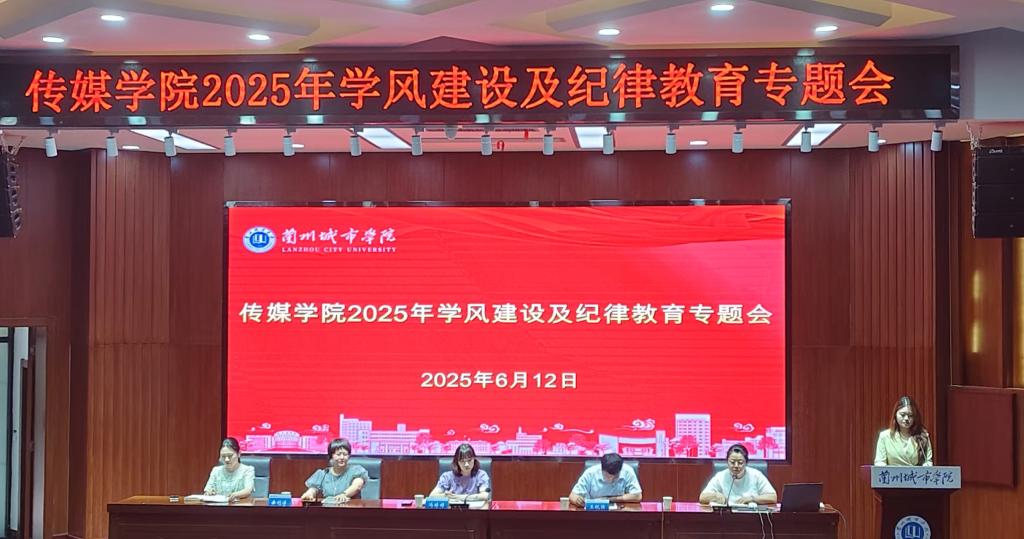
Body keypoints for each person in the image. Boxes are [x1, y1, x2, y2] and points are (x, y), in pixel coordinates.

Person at [699, 444, 776, 506]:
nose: (736, 466)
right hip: (727, 516)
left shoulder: (756, 475)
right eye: (732, 462)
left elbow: (773, 497)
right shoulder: (720, 476)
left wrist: (752, 499)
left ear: (746, 462)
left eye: (740, 462)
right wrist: (715, 496)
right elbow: (702, 498)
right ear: (727, 462)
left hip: (751, 516)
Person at [300, 438, 369, 503]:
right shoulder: (323, 474)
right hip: (329, 509)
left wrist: (344, 494)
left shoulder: (356, 470)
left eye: (345, 454)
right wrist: (309, 494)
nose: (342, 457)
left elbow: (357, 486)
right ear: (331, 456)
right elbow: (313, 489)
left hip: (351, 508)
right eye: (338, 454)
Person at [874, 395, 933, 466]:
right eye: (902, 415)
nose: (906, 418)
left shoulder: (923, 436)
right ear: (895, 414)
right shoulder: (885, 436)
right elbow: (880, 461)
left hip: (914, 473)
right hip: (893, 472)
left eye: (910, 415)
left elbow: (928, 461)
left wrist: (927, 465)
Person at [568, 452, 642, 507]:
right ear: (602, 469)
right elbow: (572, 496)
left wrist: (608, 499)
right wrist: (578, 500)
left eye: (615, 477)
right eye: (608, 476)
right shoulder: (590, 473)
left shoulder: (627, 471)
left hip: (620, 513)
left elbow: (637, 496)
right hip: (594, 513)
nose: (611, 480)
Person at [203, 437, 255, 502]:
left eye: (230, 456)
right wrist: (209, 492)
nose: (226, 460)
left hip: (240, 505)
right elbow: (208, 489)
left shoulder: (248, 470)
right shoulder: (216, 470)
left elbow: (248, 490)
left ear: (239, 454)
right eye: (223, 456)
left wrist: (234, 495)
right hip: (219, 506)